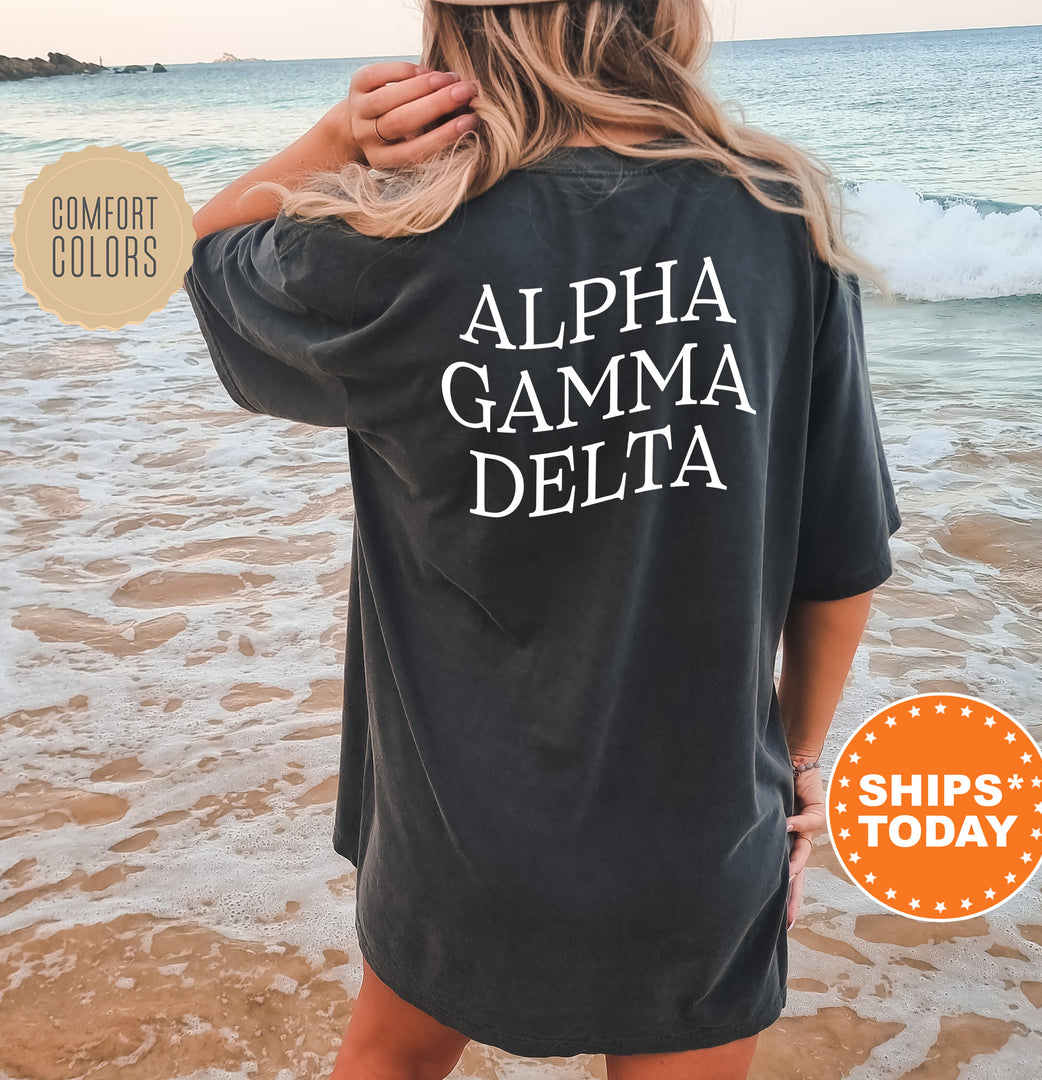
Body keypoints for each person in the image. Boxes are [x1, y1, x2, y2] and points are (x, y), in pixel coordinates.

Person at [182, 0, 903, 1077]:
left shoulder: (390, 240)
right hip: (697, 829)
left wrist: (339, 142)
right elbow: (841, 558)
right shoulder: (777, 217)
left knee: (387, 1058)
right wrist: (801, 764)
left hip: (455, 832)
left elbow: (201, 253)